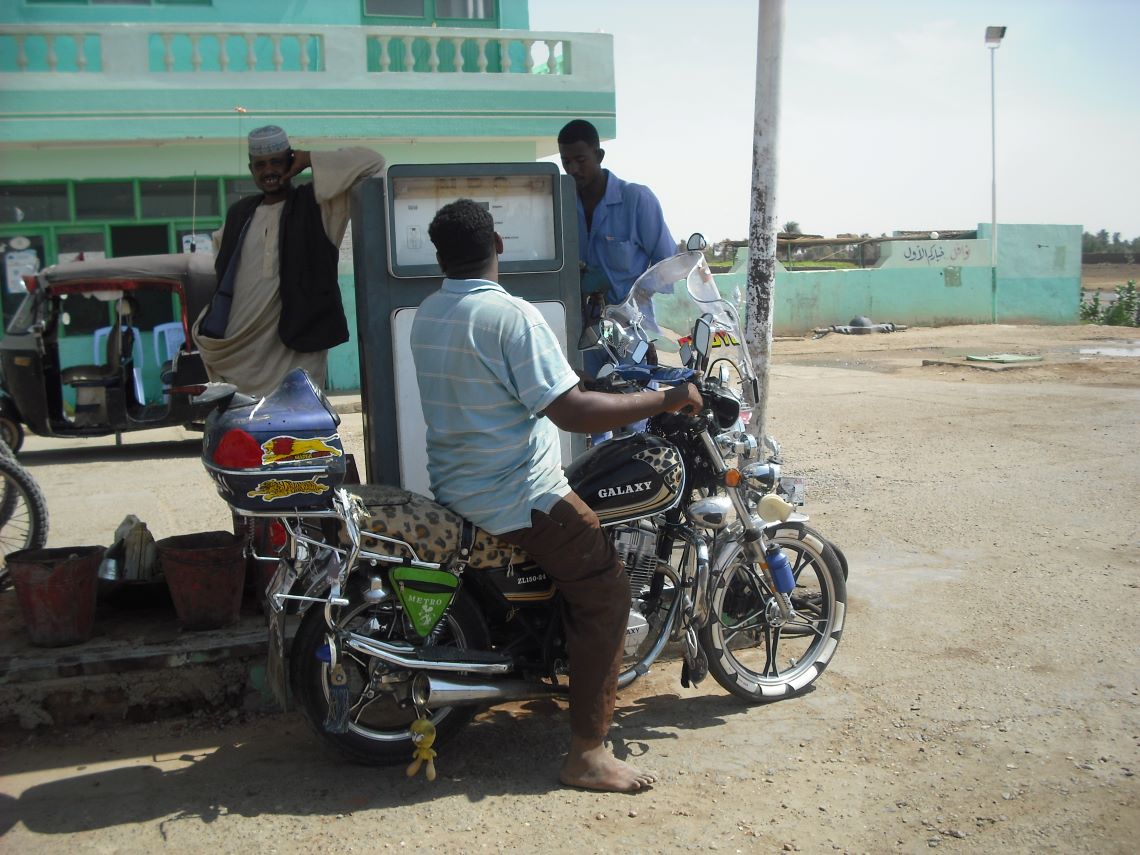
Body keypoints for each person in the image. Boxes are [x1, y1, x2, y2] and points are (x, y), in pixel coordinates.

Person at [410, 199, 702, 793]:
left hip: (459, 482)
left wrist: (605, 386)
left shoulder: (431, 312)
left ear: (440, 256)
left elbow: (535, 387)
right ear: (498, 243)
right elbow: (570, 412)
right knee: (606, 588)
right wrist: (665, 400)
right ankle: (588, 754)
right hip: (519, 494)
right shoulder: (510, 316)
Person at [193, 125, 386, 397]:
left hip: (298, 343)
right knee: (246, 428)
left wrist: (310, 159)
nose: (269, 171)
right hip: (242, 349)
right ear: (252, 170)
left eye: (276, 162)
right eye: (260, 165)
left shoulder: (320, 205)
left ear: (290, 161)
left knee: (297, 423)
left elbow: (373, 163)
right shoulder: (240, 214)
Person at [558, 119, 677, 441]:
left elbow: (666, 268)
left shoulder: (636, 200)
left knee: (636, 419)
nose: (572, 169)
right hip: (582, 335)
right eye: (565, 161)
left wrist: (642, 323)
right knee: (589, 423)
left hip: (631, 335)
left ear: (599, 155)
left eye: (580, 160)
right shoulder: (560, 206)